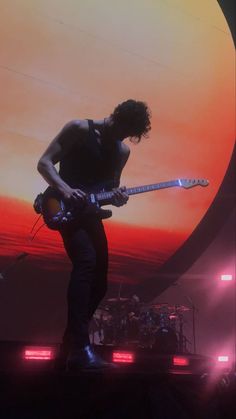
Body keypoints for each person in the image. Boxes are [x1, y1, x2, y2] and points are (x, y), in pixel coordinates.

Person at [37, 99, 151, 370]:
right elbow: (44, 163)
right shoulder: (79, 128)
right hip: (63, 207)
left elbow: (109, 191)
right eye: (120, 129)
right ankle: (80, 346)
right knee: (86, 262)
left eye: (127, 135)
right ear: (115, 116)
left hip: (89, 215)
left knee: (100, 284)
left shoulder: (121, 151)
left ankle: (70, 347)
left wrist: (118, 198)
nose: (121, 137)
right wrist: (66, 191)